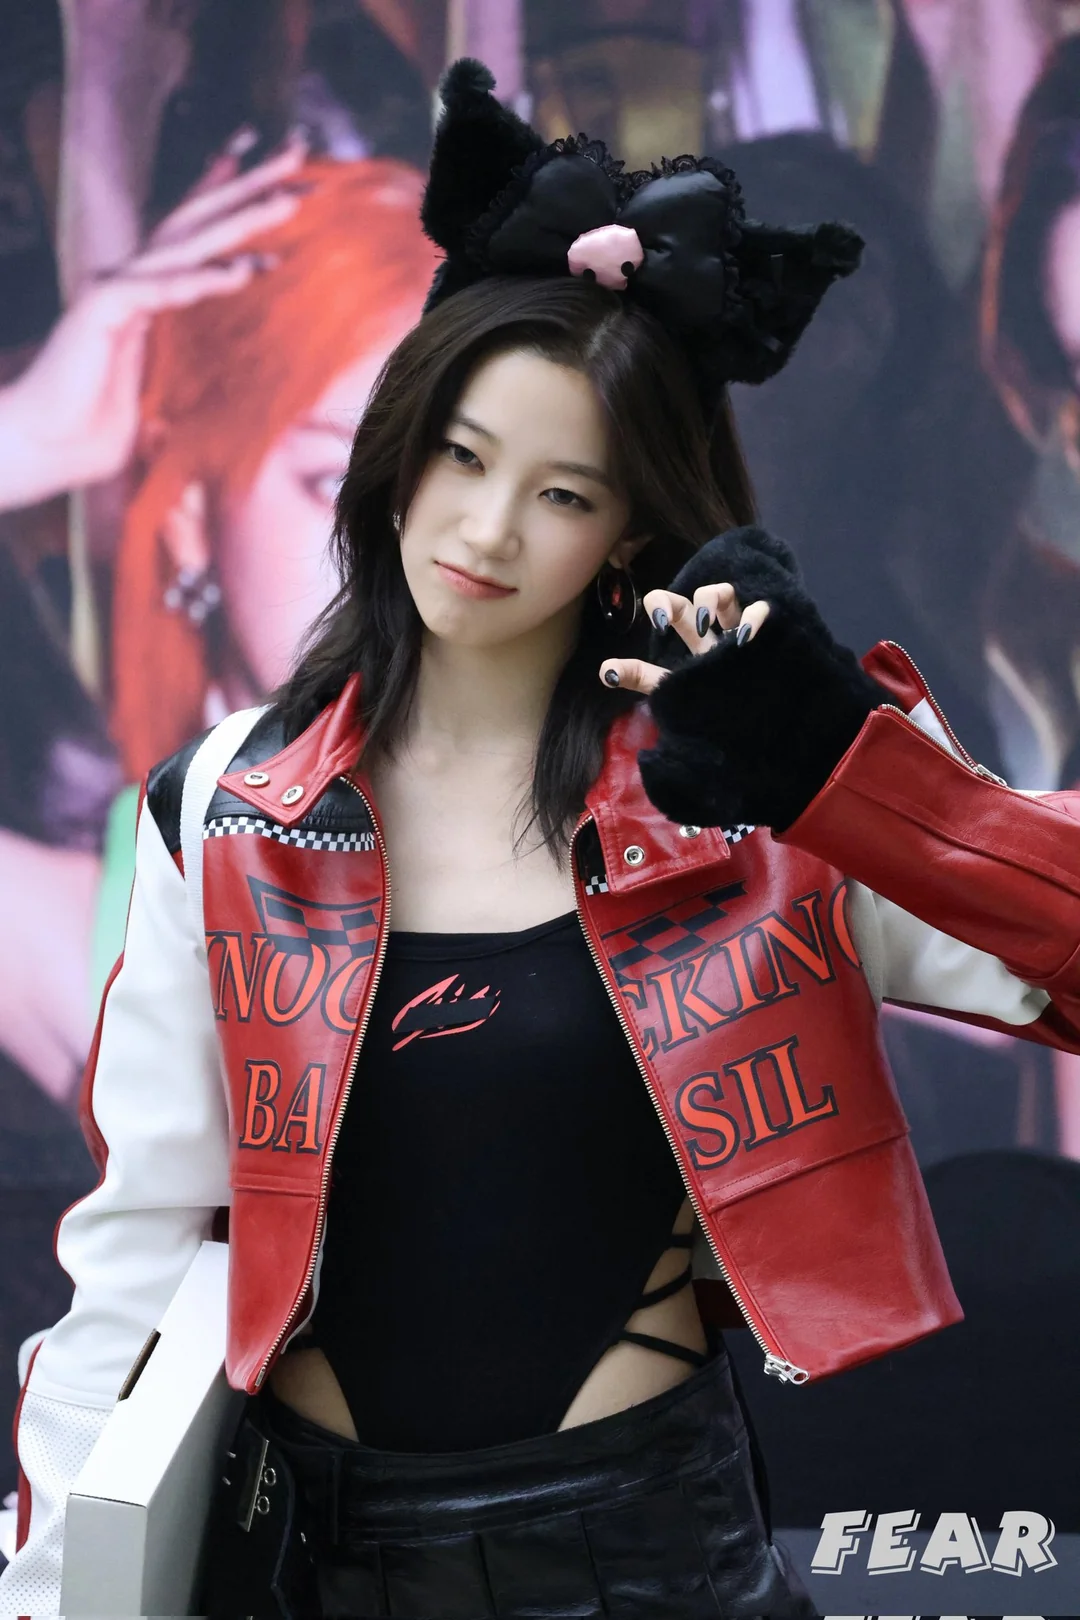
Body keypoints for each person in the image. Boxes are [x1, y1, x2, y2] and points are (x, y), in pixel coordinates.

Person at [5, 58, 1080, 1620]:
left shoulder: (747, 790)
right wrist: (54, 1597)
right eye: (459, 454)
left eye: (561, 492)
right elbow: (136, 1267)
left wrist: (854, 779)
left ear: (629, 527)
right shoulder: (230, 803)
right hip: (314, 1560)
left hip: (645, 1557)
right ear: (396, 449)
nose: (486, 529)